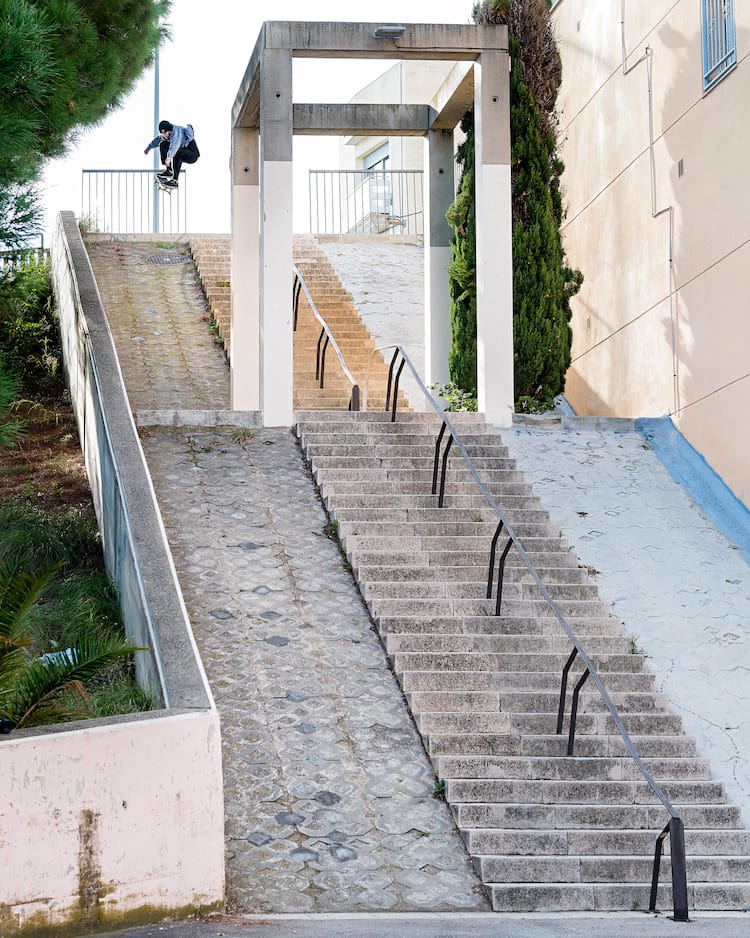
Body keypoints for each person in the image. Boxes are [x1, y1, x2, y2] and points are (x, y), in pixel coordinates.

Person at [144, 120, 200, 189]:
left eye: (165, 133)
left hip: (192, 154)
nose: (164, 135)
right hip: (182, 150)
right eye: (162, 134)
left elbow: (175, 145)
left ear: (169, 131)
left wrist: (169, 157)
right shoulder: (167, 134)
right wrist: (149, 147)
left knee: (177, 153)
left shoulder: (177, 132)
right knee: (163, 144)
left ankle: (175, 181)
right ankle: (169, 171)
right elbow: (158, 140)